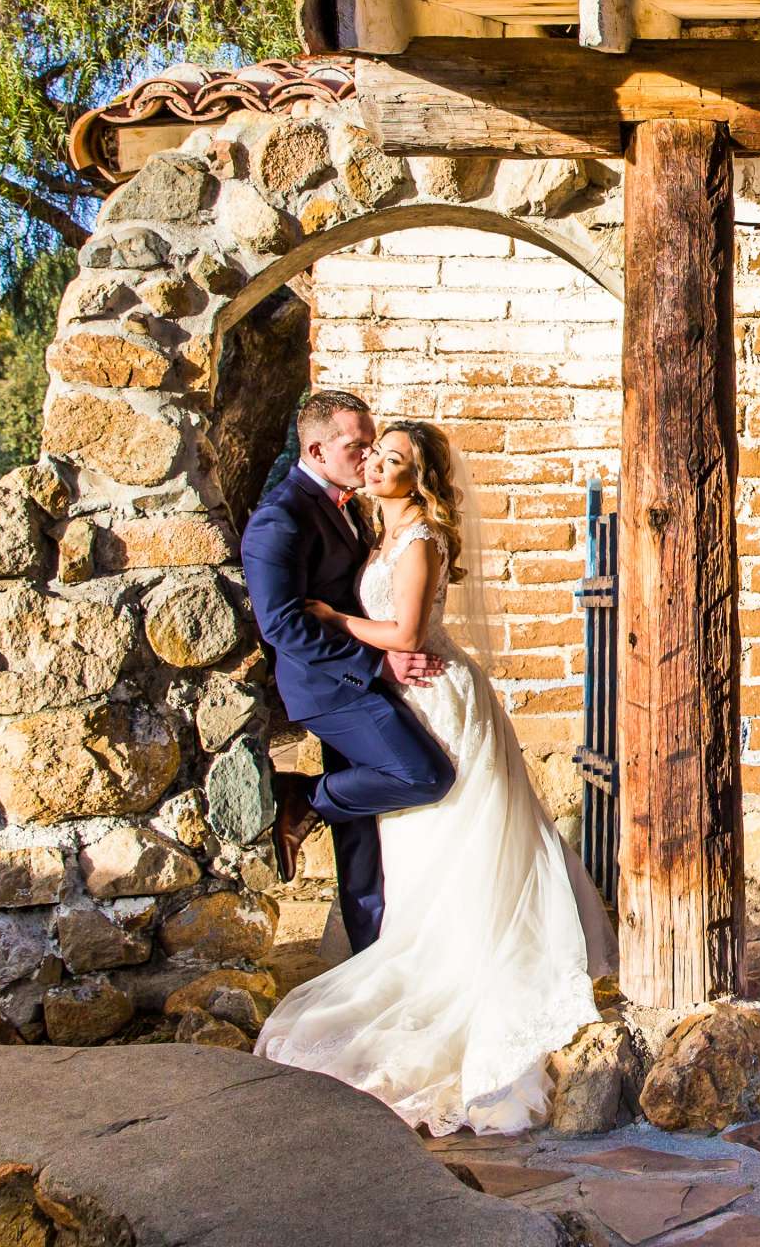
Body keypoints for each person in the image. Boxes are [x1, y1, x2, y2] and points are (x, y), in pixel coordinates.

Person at [254, 418, 615, 1133]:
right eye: (372, 453)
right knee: (422, 838)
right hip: (398, 691)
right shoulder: (369, 529)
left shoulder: (418, 538)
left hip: (435, 694)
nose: (376, 465)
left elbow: (409, 636)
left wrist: (335, 617)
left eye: (391, 458)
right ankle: (405, 949)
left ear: (417, 477)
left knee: (454, 818)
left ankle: (461, 965)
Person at [241, 392, 453, 952]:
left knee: (361, 832)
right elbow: (283, 626)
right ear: (315, 448)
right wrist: (377, 662)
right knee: (423, 775)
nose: (368, 458)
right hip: (331, 688)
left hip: (360, 678)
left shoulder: (353, 506)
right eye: (356, 446)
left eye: (372, 444)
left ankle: (371, 951)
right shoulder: (279, 517)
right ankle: (304, 797)